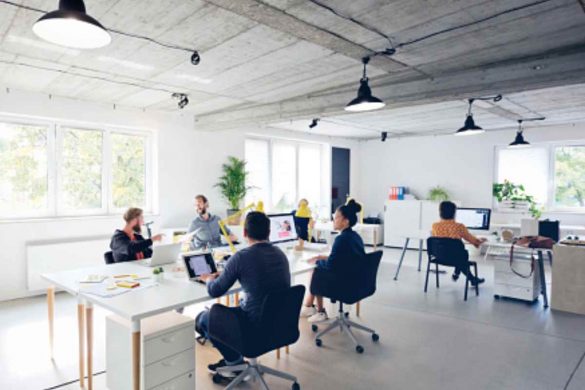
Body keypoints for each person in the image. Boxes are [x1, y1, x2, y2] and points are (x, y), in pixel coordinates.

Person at [196, 211, 291, 380]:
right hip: (279, 324)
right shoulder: (281, 254)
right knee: (236, 307)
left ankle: (234, 363)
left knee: (203, 318)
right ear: (269, 233)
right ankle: (234, 361)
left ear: (245, 233)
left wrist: (210, 278)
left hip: (254, 327)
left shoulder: (241, 257)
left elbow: (214, 291)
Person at [300, 199, 365, 323]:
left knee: (316, 269)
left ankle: (319, 311)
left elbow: (331, 265)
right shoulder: (355, 237)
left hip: (345, 283)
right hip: (357, 281)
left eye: (336, 217)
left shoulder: (341, 239)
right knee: (318, 264)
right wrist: (322, 257)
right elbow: (345, 258)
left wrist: (318, 262)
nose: (334, 219)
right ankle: (309, 306)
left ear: (346, 221)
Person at [431, 201, 486, 285]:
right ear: (454, 212)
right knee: (462, 255)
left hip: (439, 257)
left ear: (440, 212)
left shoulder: (435, 226)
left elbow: (439, 240)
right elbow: (472, 240)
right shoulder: (459, 226)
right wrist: (481, 240)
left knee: (458, 254)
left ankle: (468, 278)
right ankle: (462, 275)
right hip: (456, 258)